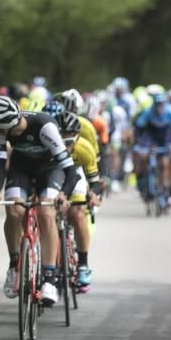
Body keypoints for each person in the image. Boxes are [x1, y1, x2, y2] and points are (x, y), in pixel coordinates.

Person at [0, 95, 79, 305]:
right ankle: (15, 265)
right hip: (21, 168)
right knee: (14, 210)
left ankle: (49, 279)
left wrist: (64, 194)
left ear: (7, 125)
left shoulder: (45, 126)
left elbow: (70, 171)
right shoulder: (0, 129)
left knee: (46, 212)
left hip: (51, 169)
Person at [54, 111, 103, 290]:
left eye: (69, 141)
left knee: (77, 213)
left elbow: (94, 181)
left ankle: (82, 264)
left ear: (77, 137)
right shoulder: (47, 146)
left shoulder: (84, 148)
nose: (65, 147)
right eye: (61, 141)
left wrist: (93, 195)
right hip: (53, 173)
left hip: (76, 174)